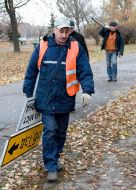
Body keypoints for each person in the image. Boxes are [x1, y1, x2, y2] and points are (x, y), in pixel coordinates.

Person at [23, 16, 94, 182]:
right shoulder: (43, 46)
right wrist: (28, 92)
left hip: (65, 98)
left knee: (61, 132)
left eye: (66, 31)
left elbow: (85, 70)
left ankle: (54, 158)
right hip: (45, 99)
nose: (63, 35)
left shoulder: (75, 48)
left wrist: (87, 91)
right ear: (54, 30)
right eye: (61, 31)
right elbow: (32, 71)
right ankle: (51, 166)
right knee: (50, 131)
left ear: (70, 31)